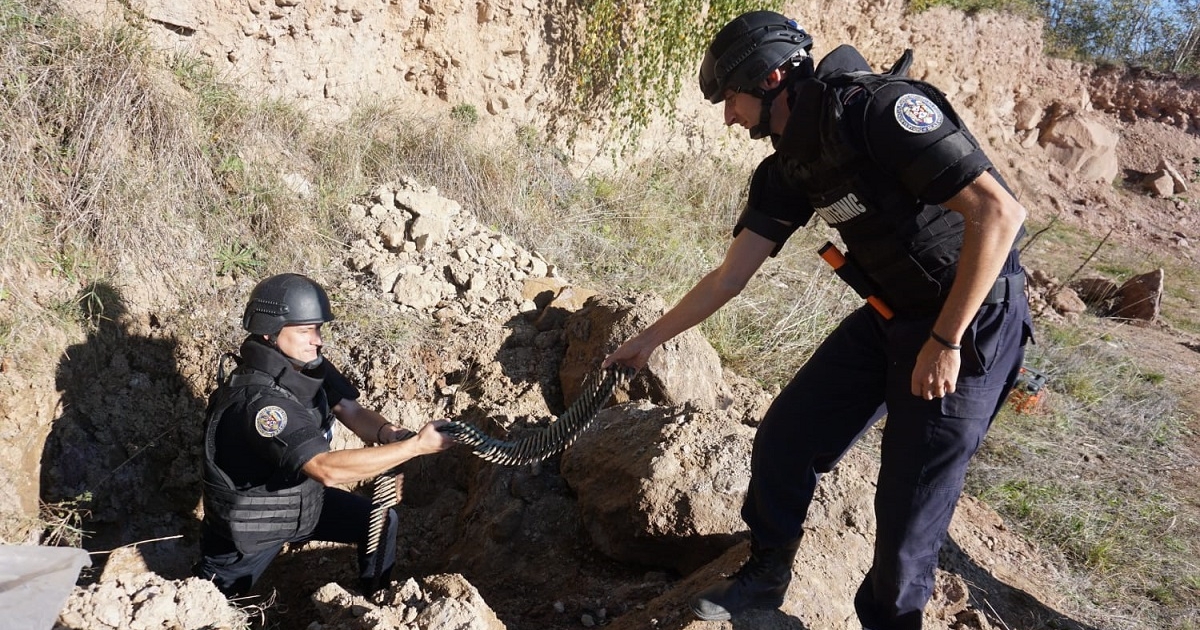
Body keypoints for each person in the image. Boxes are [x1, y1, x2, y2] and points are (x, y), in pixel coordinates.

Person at [603, 10, 1033, 629]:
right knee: (787, 435)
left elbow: (999, 214)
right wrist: (646, 341)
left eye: (731, 98)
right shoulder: (789, 167)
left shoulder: (877, 112)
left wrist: (946, 339)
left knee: (908, 511)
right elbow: (729, 277)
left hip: (971, 319)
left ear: (772, 76)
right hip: (894, 315)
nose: (728, 117)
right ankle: (765, 574)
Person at [195, 273, 455, 597]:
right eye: (305, 330)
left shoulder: (306, 367)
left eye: (317, 328)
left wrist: (390, 433)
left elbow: (351, 410)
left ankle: (376, 603)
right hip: (251, 527)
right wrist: (415, 447)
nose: (316, 339)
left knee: (380, 523)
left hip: (302, 503)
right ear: (268, 332)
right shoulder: (260, 404)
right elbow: (326, 469)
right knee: (210, 607)